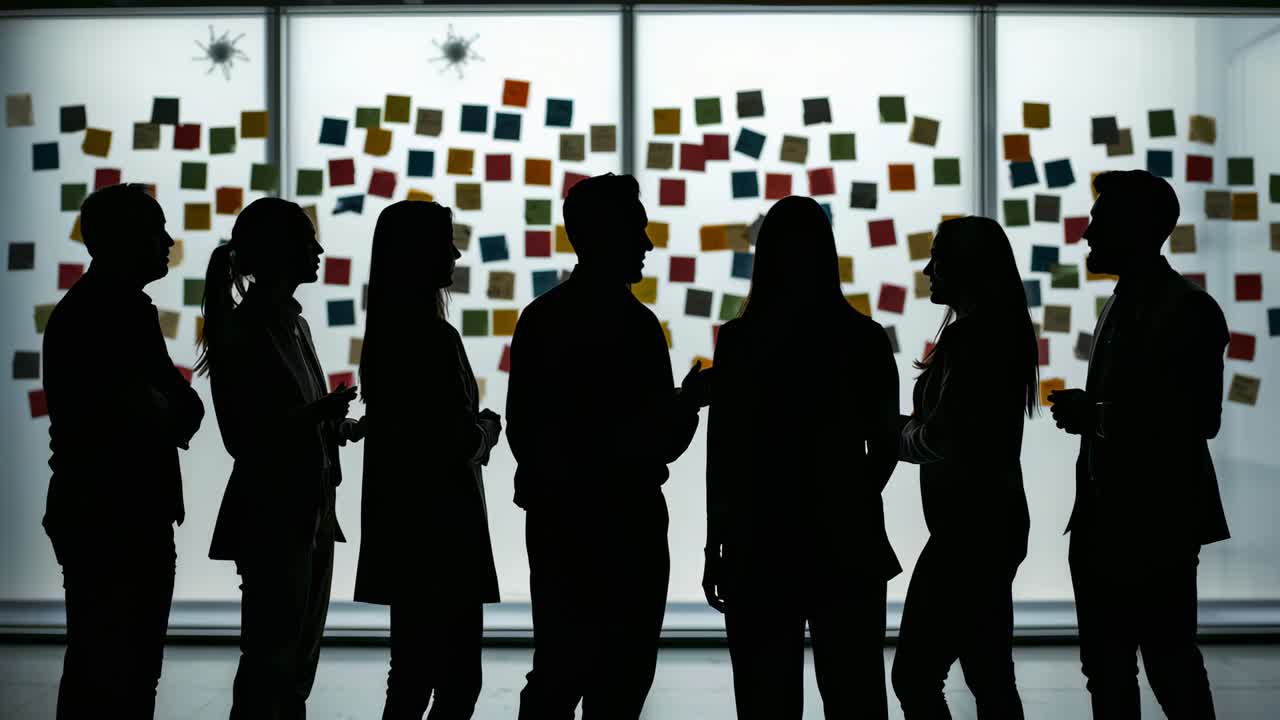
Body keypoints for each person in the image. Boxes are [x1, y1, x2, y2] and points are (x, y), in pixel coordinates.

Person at [505, 173, 708, 719]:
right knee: (623, 675)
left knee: (558, 668)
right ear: (607, 235)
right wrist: (687, 402)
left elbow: (526, 432)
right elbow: (657, 442)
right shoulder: (637, 327)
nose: (647, 244)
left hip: (559, 522)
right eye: (637, 230)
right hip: (630, 524)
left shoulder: (542, 319)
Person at [702, 195, 901, 719]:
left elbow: (723, 450)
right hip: (845, 537)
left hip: (758, 535)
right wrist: (851, 495)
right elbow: (885, 443)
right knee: (856, 691)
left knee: (765, 697)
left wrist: (714, 541)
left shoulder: (741, 339)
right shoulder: (862, 337)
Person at [1050, 170, 1228, 719]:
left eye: (1099, 221)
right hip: (1112, 521)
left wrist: (1096, 416)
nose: (1085, 234)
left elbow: (1199, 419)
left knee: (1163, 664)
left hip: (1154, 523)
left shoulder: (1187, 310)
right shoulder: (1132, 304)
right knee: (1115, 668)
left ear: (1139, 227)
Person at [42, 183, 204, 719]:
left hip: (111, 511)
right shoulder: (109, 314)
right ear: (126, 238)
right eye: (156, 229)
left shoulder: (110, 309)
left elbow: (175, 408)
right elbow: (161, 410)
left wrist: (163, 407)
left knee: (111, 667)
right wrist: (163, 408)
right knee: (118, 671)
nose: (168, 240)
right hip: (115, 515)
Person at [197, 197, 361, 719]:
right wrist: (322, 413)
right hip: (275, 512)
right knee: (274, 656)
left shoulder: (291, 324)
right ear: (277, 252)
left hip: (307, 510)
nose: (317, 250)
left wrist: (340, 422)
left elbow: (291, 419)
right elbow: (245, 436)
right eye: (304, 240)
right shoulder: (249, 328)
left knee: (293, 657)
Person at [353, 200, 503, 720]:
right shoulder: (434, 338)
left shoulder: (388, 336)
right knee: (458, 679)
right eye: (446, 243)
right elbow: (455, 440)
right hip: (444, 532)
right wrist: (487, 430)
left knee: (412, 671)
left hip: (406, 529)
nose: (456, 253)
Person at [892, 216, 1035, 719]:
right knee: (989, 672)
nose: (928, 268)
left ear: (967, 266)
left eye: (939, 257)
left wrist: (893, 435)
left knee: (914, 675)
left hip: (967, 533)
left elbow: (941, 437)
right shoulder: (998, 333)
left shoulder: (972, 340)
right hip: (991, 524)